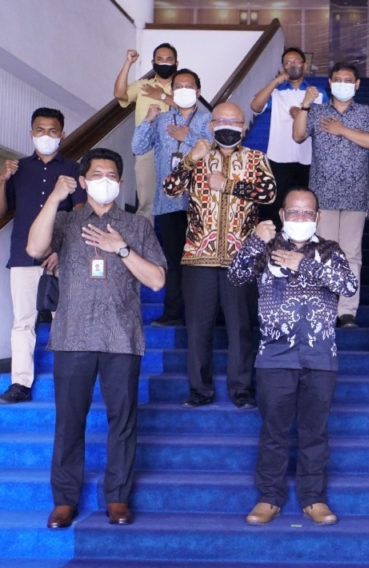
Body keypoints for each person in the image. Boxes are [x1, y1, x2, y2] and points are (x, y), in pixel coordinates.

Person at [26, 148, 166, 529]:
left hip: (122, 337)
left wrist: (120, 249)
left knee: (123, 421)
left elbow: (156, 279)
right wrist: (55, 198)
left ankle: (118, 497)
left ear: (120, 184)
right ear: (84, 181)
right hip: (72, 335)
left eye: (112, 175)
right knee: (69, 421)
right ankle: (64, 500)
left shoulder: (137, 227)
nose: (105, 181)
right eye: (97, 174)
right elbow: (35, 248)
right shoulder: (67, 221)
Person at [228, 188, 358, 527]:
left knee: (315, 432)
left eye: (307, 213)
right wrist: (253, 241)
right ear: (283, 215)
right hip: (274, 357)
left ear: (316, 217)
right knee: (274, 431)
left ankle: (313, 498)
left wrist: (306, 264)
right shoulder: (266, 247)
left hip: (320, 358)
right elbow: (236, 275)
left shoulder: (330, 251)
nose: (300, 218)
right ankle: (269, 496)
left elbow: (349, 285)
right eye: (294, 212)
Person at [163, 102, 276, 409]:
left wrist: (228, 186)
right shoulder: (198, 155)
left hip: (242, 259)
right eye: (222, 121)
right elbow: (170, 189)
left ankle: (241, 391)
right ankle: (200, 391)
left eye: (235, 122)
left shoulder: (255, 158)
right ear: (211, 126)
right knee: (198, 328)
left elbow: (269, 194)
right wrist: (189, 160)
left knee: (241, 328)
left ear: (244, 127)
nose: (229, 126)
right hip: (198, 258)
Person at [0, 107, 86, 404]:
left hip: (61, 259)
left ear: (63, 134)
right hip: (22, 256)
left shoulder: (73, 169)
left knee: (65, 321)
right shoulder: (17, 168)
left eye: (52, 130)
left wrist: (61, 249)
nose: (46, 136)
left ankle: (67, 382)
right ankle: (20, 384)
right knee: (22, 322)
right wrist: (3, 179)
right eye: (40, 130)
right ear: (31, 132)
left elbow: (81, 212)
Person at [293, 62, 369, 328]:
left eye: (348, 79)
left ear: (356, 84)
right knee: (323, 252)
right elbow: (298, 135)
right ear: (330, 83)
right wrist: (305, 104)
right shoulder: (318, 111)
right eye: (338, 79)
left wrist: (342, 130)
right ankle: (324, 305)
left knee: (351, 254)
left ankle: (347, 311)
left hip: (356, 194)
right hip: (323, 194)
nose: (343, 83)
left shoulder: (367, 113)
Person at [131, 68, 211, 328]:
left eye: (190, 86)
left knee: (201, 262)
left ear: (198, 92)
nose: (184, 90)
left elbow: (214, 153)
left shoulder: (209, 120)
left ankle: (204, 314)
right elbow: (138, 147)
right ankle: (173, 312)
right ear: (172, 91)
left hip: (201, 204)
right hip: (167, 203)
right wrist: (148, 120)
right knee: (174, 262)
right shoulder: (163, 119)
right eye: (179, 86)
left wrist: (187, 137)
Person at [247, 47, 326, 225]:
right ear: (283, 66)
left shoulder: (318, 93)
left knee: (302, 208)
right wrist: (276, 81)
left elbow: (325, 121)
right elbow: (255, 106)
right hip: (278, 157)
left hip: (309, 159)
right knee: (275, 207)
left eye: (296, 61)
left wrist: (302, 113)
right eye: (288, 62)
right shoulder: (276, 92)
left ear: (304, 65)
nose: (292, 65)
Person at [115, 43, 179, 218]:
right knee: (146, 202)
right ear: (153, 63)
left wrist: (162, 96)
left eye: (169, 59)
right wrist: (128, 63)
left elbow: (188, 107)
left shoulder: (182, 86)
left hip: (176, 151)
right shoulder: (144, 85)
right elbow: (120, 94)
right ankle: (145, 243)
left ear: (176, 63)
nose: (164, 63)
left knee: (177, 201)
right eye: (160, 59)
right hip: (147, 149)